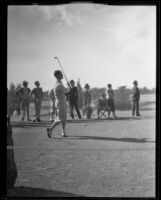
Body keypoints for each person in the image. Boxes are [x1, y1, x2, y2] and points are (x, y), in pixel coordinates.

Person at [47, 70, 68, 138]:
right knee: (60, 119)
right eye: (61, 74)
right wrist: (69, 87)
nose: (62, 75)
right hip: (60, 103)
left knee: (64, 118)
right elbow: (66, 91)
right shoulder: (58, 84)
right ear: (58, 75)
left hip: (62, 102)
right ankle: (50, 129)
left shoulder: (59, 83)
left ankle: (63, 132)